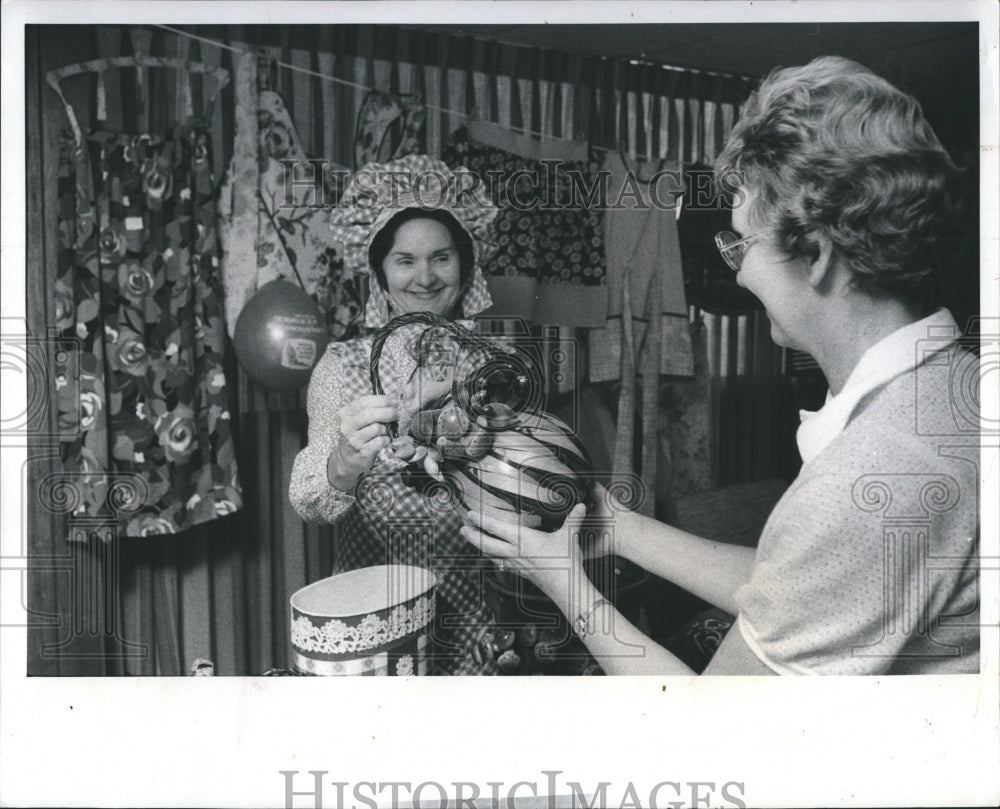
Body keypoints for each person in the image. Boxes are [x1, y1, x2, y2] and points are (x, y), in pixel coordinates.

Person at [462, 56, 981, 675]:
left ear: (816, 253)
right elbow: (799, 587)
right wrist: (616, 523)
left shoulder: (866, 477)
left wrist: (562, 580)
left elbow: (710, 721)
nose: (736, 272)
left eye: (741, 244)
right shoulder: (960, 383)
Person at [289, 154, 501, 674]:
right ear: (380, 274)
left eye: (441, 258)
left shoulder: (497, 364)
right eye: (405, 261)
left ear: (465, 267)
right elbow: (308, 503)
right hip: (377, 627)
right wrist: (344, 462)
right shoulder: (341, 366)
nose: (425, 277)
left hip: (480, 624)